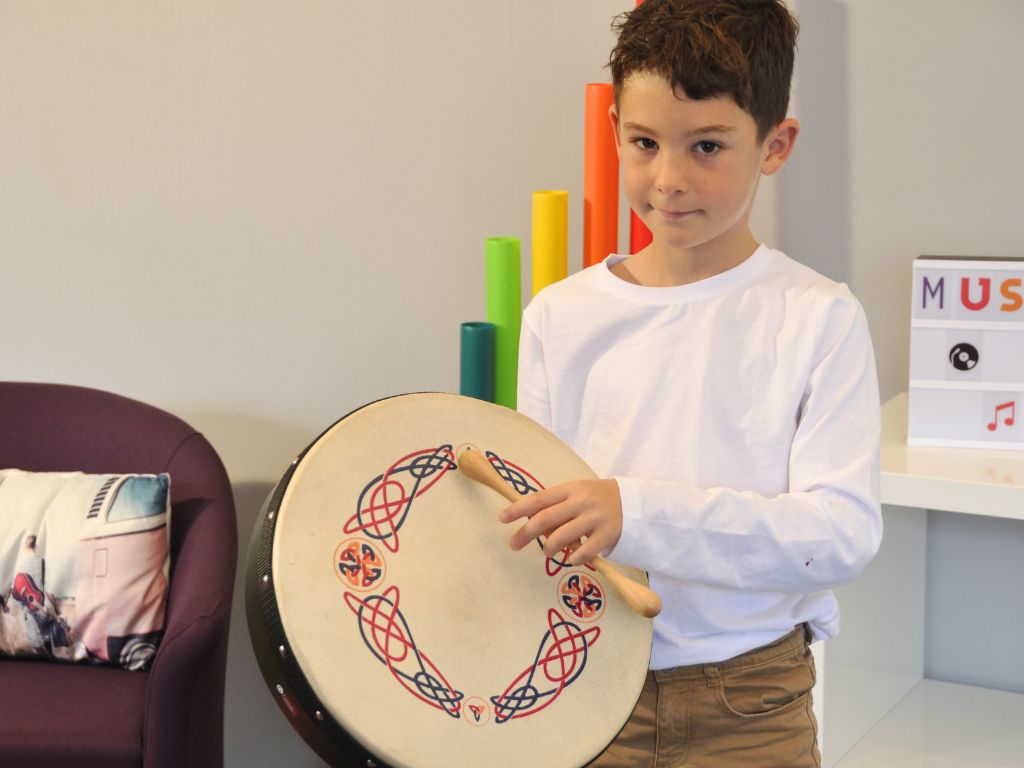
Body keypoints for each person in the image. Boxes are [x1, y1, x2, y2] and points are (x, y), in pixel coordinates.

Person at [505, 1, 882, 765]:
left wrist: (634, 511)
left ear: (776, 144)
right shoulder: (558, 318)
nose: (668, 180)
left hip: (750, 703)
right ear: (614, 130)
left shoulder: (819, 317)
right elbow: (543, 523)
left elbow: (840, 535)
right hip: (581, 685)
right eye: (644, 143)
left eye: (706, 145)